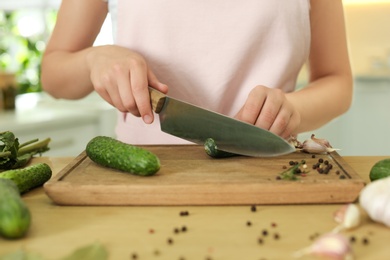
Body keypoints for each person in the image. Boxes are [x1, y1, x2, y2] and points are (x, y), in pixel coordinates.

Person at [41, 0, 353, 145]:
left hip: (269, 171)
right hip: (142, 179)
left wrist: (294, 110)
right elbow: (53, 73)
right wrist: (94, 60)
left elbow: (336, 81)